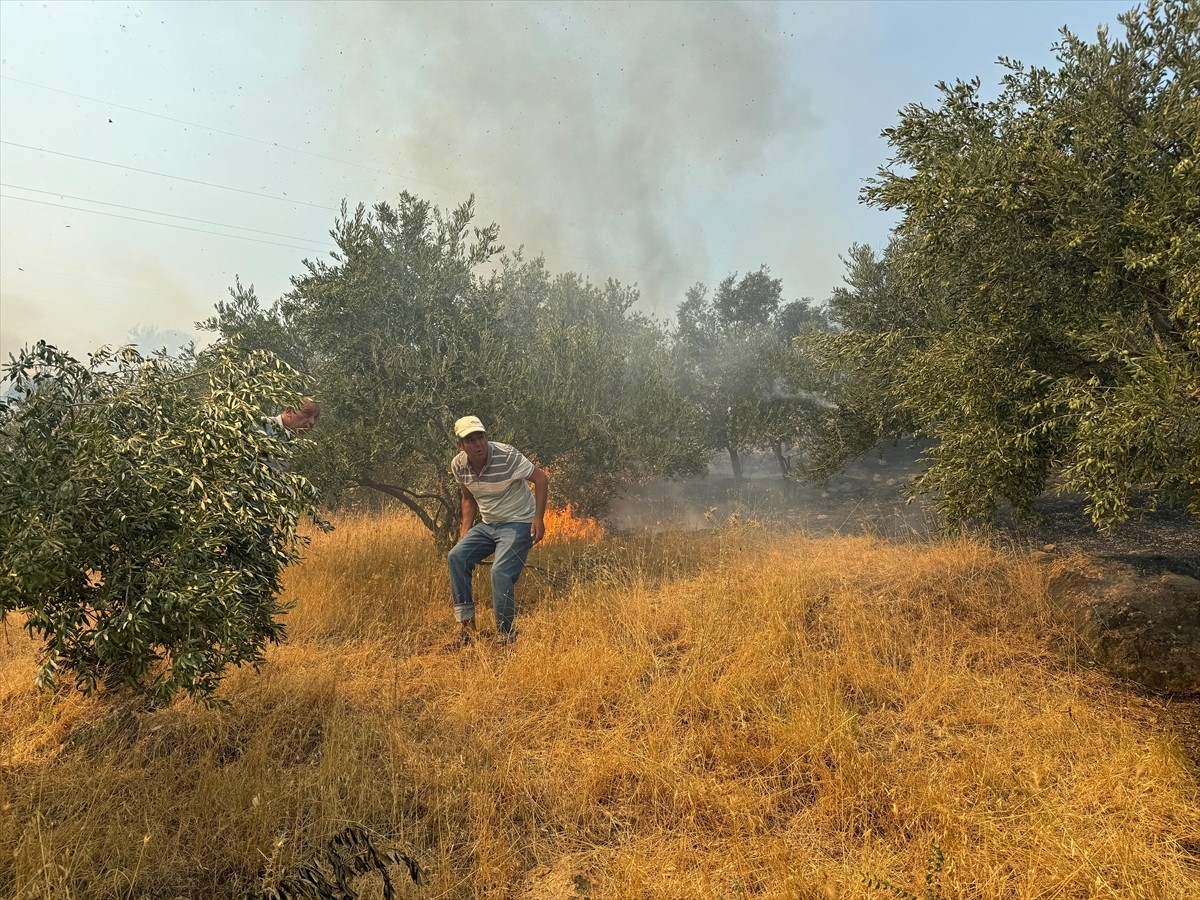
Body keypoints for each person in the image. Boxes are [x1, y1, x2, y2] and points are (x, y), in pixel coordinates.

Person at [447, 415, 548, 647]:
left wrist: (538, 518)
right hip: (489, 523)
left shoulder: (507, 455)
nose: (478, 444)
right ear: (461, 446)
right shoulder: (458, 465)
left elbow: (541, 479)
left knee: (500, 571)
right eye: (470, 440)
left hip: (518, 521)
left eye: (480, 437)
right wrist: (465, 532)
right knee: (457, 556)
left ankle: (506, 636)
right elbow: (467, 499)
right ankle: (467, 630)